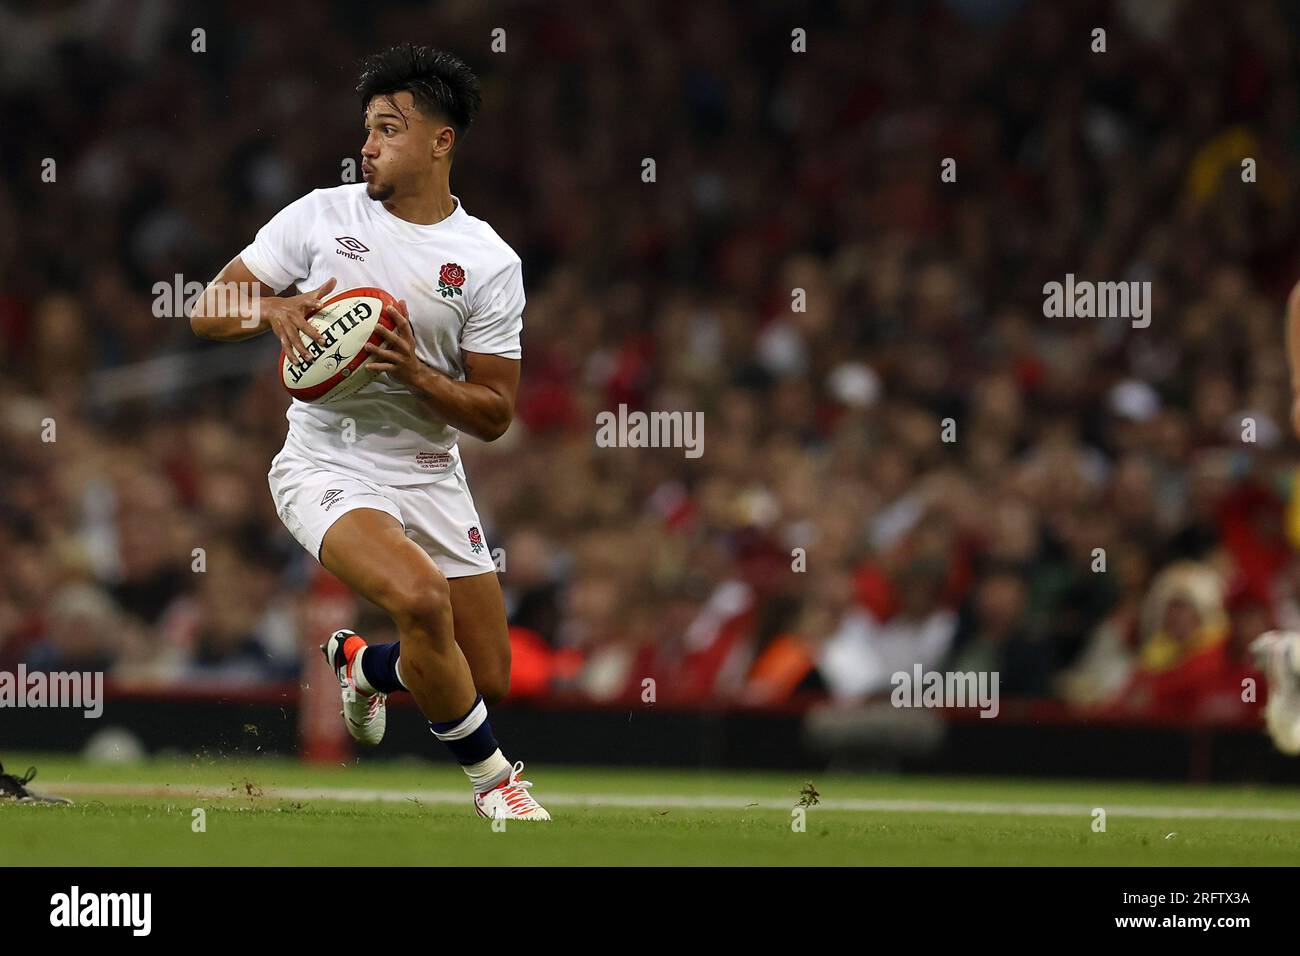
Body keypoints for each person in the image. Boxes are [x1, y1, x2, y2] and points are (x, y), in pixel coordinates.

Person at [189, 43, 549, 820]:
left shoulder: (487, 261)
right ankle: (497, 787)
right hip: (326, 459)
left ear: (440, 142)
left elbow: (494, 413)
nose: (369, 145)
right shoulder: (321, 214)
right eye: (368, 129)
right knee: (420, 599)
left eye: (389, 129)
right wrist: (271, 308)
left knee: (484, 675)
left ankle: (362, 667)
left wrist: (417, 373)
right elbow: (205, 308)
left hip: (429, 468)